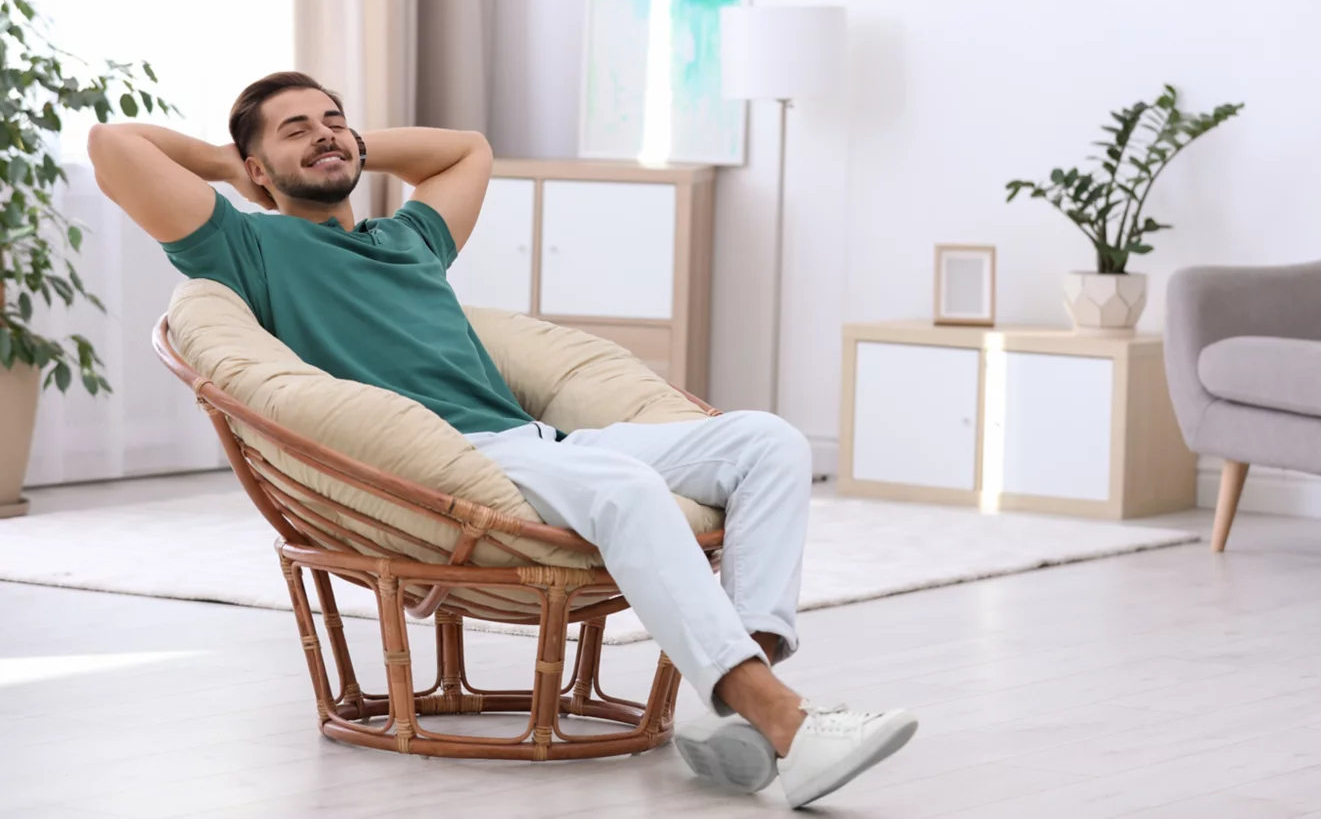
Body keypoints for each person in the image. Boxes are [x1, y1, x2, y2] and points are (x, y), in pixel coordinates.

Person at [88, 71, 917, 808]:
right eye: (295, 128)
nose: (325, 133)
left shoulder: (406, 240)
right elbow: (113, 143)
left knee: (768, 442)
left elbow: (467, 150)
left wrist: (352, 143)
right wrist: (228, 166)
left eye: (334, 118)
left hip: (539, 442)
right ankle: (791, 724)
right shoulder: (247, 244)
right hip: (459, 460)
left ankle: (755, 692)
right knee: (627, 494)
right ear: (259, 168)